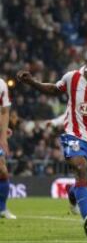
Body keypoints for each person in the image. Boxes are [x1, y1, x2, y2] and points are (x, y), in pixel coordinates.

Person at [17, 48, 87, 237]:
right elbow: (53, 90)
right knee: (80, 168)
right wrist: (32, 82)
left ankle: (73, 192)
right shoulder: (72, 78)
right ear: (86, 61)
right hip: (74, 135)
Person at [0, 78, 16, 219]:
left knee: (3, 171)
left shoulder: (1, 85)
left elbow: (4, 112)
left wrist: (3, 134)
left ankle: (2, 209)